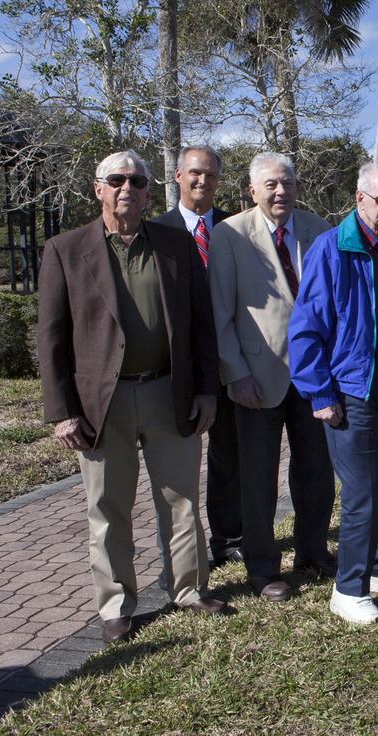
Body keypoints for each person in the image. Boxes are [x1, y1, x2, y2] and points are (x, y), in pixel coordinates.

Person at [37, 150, 225, 644]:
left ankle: (188, 589)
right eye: (116, 179)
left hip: (170, 392)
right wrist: (62, 413)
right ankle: (116, 603)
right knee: (108, 507)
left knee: (182, 501)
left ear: (148, 190)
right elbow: (51, 339)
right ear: (97, 188)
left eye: (137, 181)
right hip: (104, 402)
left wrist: (207, 389)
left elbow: (202, 326)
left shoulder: (175, 244)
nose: (127, 188)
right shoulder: (65, 250)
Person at [288, 162, 378, 625]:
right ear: (359, 199)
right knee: (362, 492)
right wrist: (318, 393)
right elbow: (306, 327)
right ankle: (348, 589)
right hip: (351, 387)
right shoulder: (331, 249)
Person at [208, 152, 336, 602]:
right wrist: (235, 373)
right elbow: (220, 313)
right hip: (256, 379)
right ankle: (262, 569)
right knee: (258, 477)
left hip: (315, 377)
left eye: (287, 183)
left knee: (317, 471)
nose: (280, 191)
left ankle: (313, 552)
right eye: (271, 185)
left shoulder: (319, 229)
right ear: (253, 190)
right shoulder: (229, 234)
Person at [154, 146, 242, 567]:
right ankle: (179, 552)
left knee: (228, 455)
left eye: (209, 175)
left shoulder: (236, 229)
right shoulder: (157, 231)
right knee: (176, 464)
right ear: (177, 176)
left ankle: (229, 537)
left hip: (226, 361)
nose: (201, 181)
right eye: (194, 173)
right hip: (176, 365)